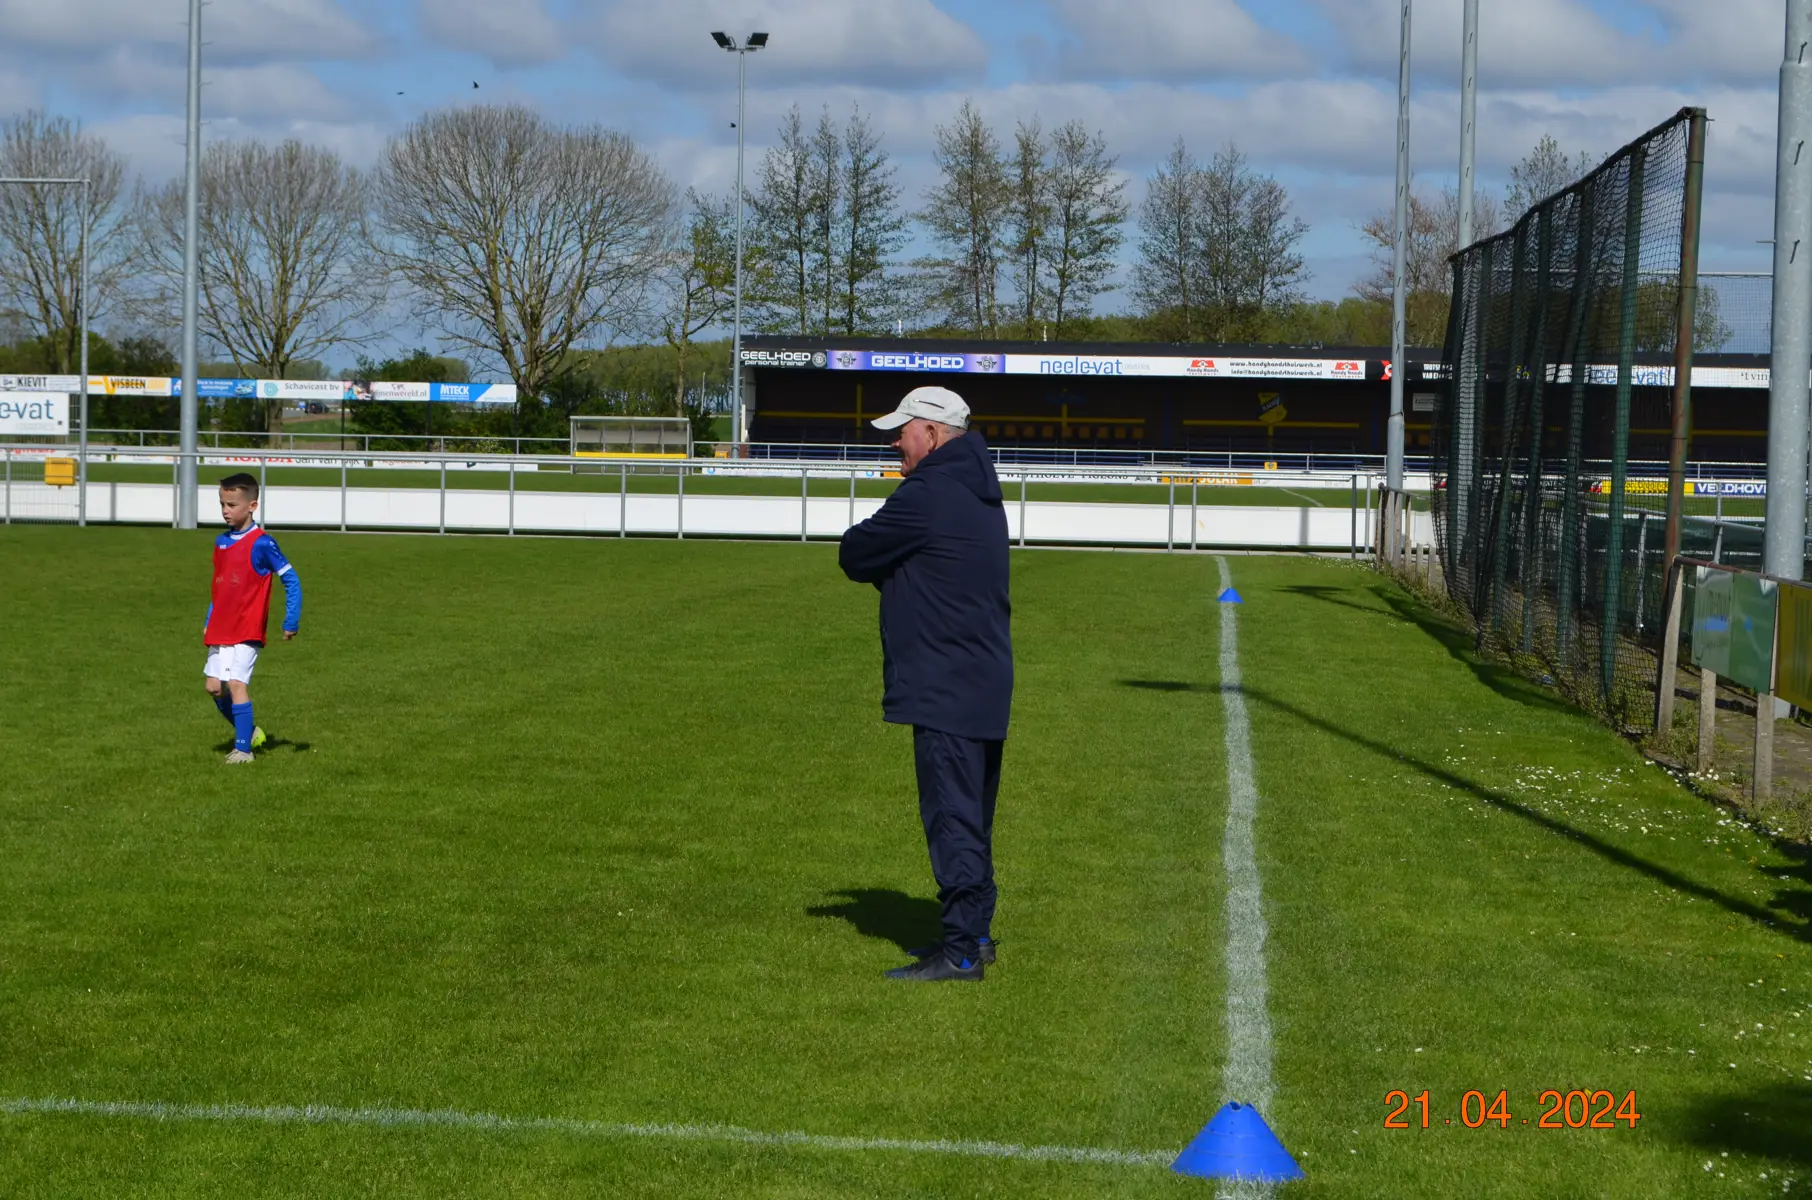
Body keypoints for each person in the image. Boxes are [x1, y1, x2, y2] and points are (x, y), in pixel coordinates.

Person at [838, 386, 1013, 983]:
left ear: (932, 434)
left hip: (944, 682)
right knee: (973, 815)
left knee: (952, 816)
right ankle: (977, 935)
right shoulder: (979, 488)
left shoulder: (929, 491)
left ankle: (960, 952)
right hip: (983, 677)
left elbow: (855, 552)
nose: (895, 442)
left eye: (903, 430)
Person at [203, 473, 303, 765]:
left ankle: (243, 750)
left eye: (232, 505)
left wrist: (291, 620)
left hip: (247, 627)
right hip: (221, 626)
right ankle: (250, 732)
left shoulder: (262, 543)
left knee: (236, 684)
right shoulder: (221, 542)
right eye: (222, 504)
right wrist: (210, 617)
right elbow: (220, 586)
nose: (225, 510)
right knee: (214, 687)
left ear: (252, 506)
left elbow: (291, 580)